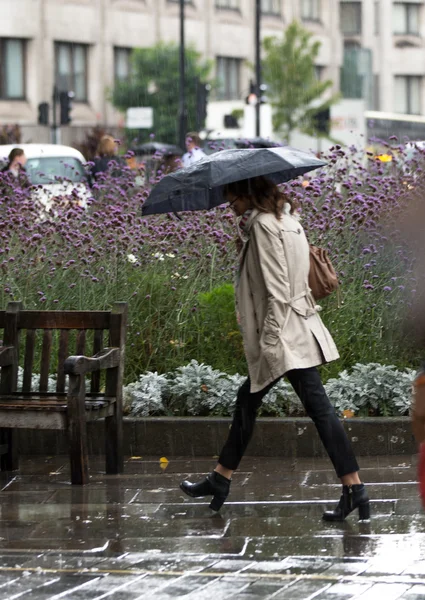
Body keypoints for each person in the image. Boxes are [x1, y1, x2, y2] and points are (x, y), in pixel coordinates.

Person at [180, 176, 369, 521]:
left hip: (283, 334)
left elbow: (278, 289)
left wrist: (269, 339)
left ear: (248, 193)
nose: (230, 206)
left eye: (232, 198)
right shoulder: (288, 221)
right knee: (252, 400)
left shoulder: (264, 227)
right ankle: (221, 478)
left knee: (316, 409)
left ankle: (355, 488)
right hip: (296, 326)